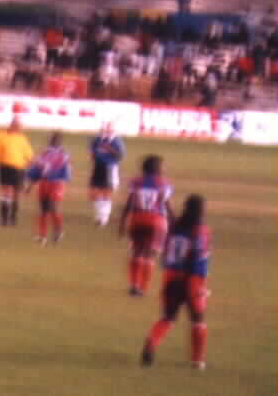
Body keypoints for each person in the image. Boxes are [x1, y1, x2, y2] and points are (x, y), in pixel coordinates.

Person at [141, 195, 210, 370]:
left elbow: (164, 252)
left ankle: (151, 342)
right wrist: (200, 287)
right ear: (202, 210)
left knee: (168, 317)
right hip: (192, 279)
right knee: (198, 320)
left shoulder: (174, 228)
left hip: (171, 277)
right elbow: (199, 257)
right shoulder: (201, 230)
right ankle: (197, 360)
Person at [118, 155, 174, 297]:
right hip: (157, 221)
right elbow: (166, 204)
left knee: (137, 252)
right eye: (162, 166)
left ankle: (134, 285)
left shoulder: (135, 182)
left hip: (138, 219)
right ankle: (143, 288)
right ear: (157, 168)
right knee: (150, 255)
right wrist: (175, 223)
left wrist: (122, 222)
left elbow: (129, 204)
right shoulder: (164, 183)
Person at [0, 117, 34, 227]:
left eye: (20, 126)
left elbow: (29, 155)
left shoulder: (22, 139)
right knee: (6, 192)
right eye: (17, 125)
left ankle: (13, 218)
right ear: (12, 125)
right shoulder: (1, 136)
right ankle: (4, 219)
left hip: (19, 168)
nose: (19, 128)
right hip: (5, 166)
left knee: (16, 194)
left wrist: (32, 169)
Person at [24, 132, 70, 246]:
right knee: (43, 209)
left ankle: (58, 230)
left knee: (53, 207)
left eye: (54, 139)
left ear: (59, 141)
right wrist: (30, 185)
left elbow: (63, 171)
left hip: (56, 183)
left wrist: (62, 182)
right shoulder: (45, 153)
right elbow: (36, 171)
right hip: (44, 183)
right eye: (52, 139)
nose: (52, 141)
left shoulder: (64, 155)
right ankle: (42, 236)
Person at [88, 123, 125, 227]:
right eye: (104, 129)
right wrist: (94, 156)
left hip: (109, 168)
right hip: (98, 167)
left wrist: (109, 149)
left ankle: (103, 218)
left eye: (108, 130)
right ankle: (100, 215)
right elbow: (92, 149)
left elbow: (120, 156)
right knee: (93, 192)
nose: (105, 131)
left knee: (106, 193)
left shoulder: (117, 142)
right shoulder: (97, 139)